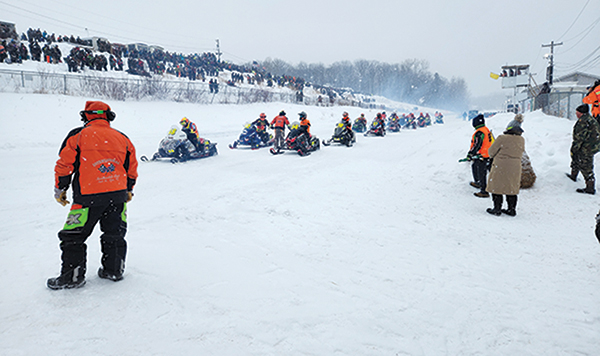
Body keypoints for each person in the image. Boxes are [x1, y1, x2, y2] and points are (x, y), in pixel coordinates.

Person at [48, 101, 138, 290]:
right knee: (114, 233)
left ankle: (73, 276)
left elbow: (64, 166)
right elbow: (131, 167)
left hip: (87, 198)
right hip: (118, 197)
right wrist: (129, 189)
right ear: (108, 116)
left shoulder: (78, 136)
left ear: (85, 116)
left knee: (72, 236)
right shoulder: (122, 138)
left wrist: (60, 189)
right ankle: (114, 270)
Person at [485, 114, 526, 216]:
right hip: (515, 167)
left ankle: (497, 209)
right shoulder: (521, 140)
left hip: (501, 166)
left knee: (497, 187)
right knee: (511, 188)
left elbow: (491, 152)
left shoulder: (502, 138)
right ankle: (511, 209)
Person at [566, 104, 600, 194]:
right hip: (592, 146)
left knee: (586, 165)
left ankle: (590, 187)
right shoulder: (590, 119)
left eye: (577, 112)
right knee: (577, 159)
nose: (576, 114)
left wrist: (574, 148)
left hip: (586, 147)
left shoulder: (583, 121)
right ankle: (573, 175)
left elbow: (579, 137)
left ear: (581, 113)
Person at [467, 114, 494, 197]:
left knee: (481, 172)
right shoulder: (486, 129)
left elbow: (477, 145)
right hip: (489, 154)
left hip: (482, 155)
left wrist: (470, 154)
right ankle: (478, 183)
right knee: (476, 167)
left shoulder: (480, 132)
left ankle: (484, 191)